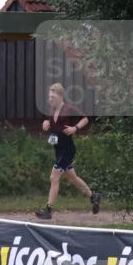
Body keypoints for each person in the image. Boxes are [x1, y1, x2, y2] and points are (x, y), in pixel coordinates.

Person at [35, 83, 101, 219]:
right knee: (73, 178)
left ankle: (48, 210)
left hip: (67, 150)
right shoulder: (52, 110)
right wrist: (45, 125)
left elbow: (85, 119)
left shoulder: (69, 108)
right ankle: (93, 196)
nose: (50, 99)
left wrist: (75, 128)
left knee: (54, 178)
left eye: (52, 96)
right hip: (58, 150)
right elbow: (50, 125)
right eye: (49, 97)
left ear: (60, 96)